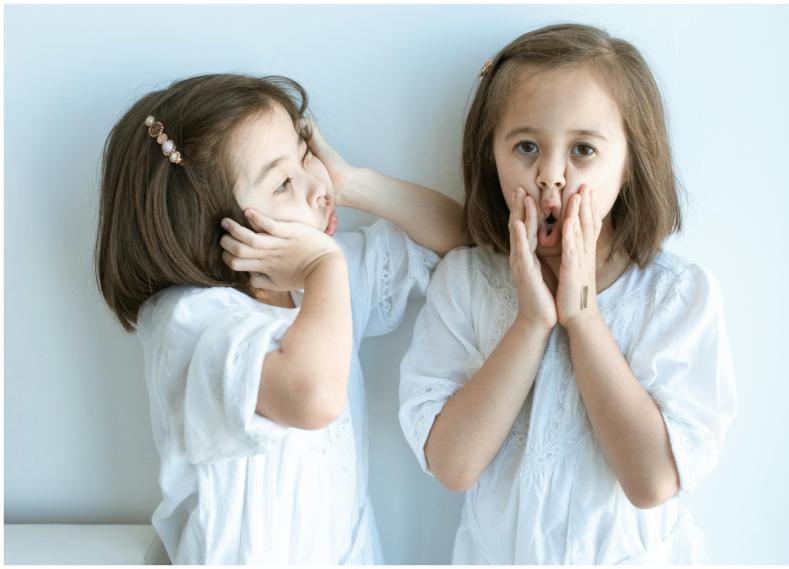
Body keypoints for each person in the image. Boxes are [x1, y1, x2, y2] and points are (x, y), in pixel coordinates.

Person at [398, 23, 736, 563]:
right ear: (491, 155)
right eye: (526, 146)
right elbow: (452, 466)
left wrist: (583, 317)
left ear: (630, 165)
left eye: (582, 149)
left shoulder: (675, 296)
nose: (549, 176)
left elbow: (651, 481)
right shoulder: (464, 283)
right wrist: (531, 322)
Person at [95, 73, 466, 564]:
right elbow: (312, 396)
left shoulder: (322, 281)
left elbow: (462, 242)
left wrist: (353, 183)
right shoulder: (193, 322)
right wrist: (323, 268)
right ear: (211, 228)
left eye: (303, 153)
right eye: (284, 182)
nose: (319, 187)